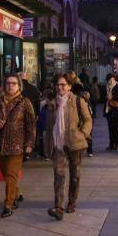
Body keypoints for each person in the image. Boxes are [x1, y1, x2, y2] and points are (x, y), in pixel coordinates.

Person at [0, 73, 36, 218]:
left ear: (19, 86)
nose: (11, 86)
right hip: (1, 145)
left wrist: (29, 144)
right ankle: (15, 195)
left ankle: (8, 204)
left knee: (11, 174)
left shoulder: (24, 102)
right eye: (8, 83)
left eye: (14, 83)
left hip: (17, 145)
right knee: (5, 174)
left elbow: (31, 125)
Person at [45, 73, 93, 220]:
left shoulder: (78, 101)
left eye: (63, 85)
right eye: (58, 85)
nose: (60, 88)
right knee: (58, 175)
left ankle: (72, 201)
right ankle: (58, 207)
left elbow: (88, 120)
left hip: (74, 143)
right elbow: (49, 126)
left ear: (70, 86)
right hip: (58, 143)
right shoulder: (52, 103)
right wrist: (47, 145)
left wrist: (83, 134)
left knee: (75, 175)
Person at [104, 74, 118, 151]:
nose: (111, 81)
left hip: (116, 110)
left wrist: (112, 97)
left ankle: (117, 144)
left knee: (116, 127)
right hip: (108, 110)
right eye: (109, 80)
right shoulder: (107, 87)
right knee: (110, 127)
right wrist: (106, 97)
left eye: (112, 80)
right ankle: (111, 144)